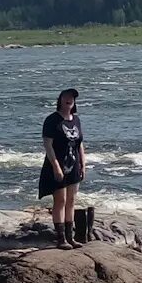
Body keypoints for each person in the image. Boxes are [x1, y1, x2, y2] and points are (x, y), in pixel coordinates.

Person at [39, 87, 86, 248]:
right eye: (66, 96)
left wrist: (83, 164)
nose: (69, 99)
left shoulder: (76, 120)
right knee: (61, 200)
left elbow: (80, 144)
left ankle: (70, 237)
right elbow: (48, 145)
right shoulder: (52, 120)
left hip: (74, 165)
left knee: (71, 200)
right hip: (57, 164)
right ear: (60, 99)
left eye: (72, 97)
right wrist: (56, 166)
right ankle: (60, 239)